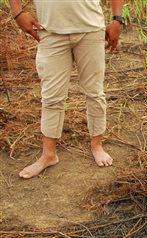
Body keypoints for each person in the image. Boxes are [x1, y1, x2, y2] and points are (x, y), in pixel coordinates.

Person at [8, 0, 125, 179]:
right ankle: (48, 155)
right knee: (51, 96)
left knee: (94, 92)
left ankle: (97, 145)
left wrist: (117, 19)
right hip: (50, 31)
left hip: (91, 30)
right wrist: (17, 13)